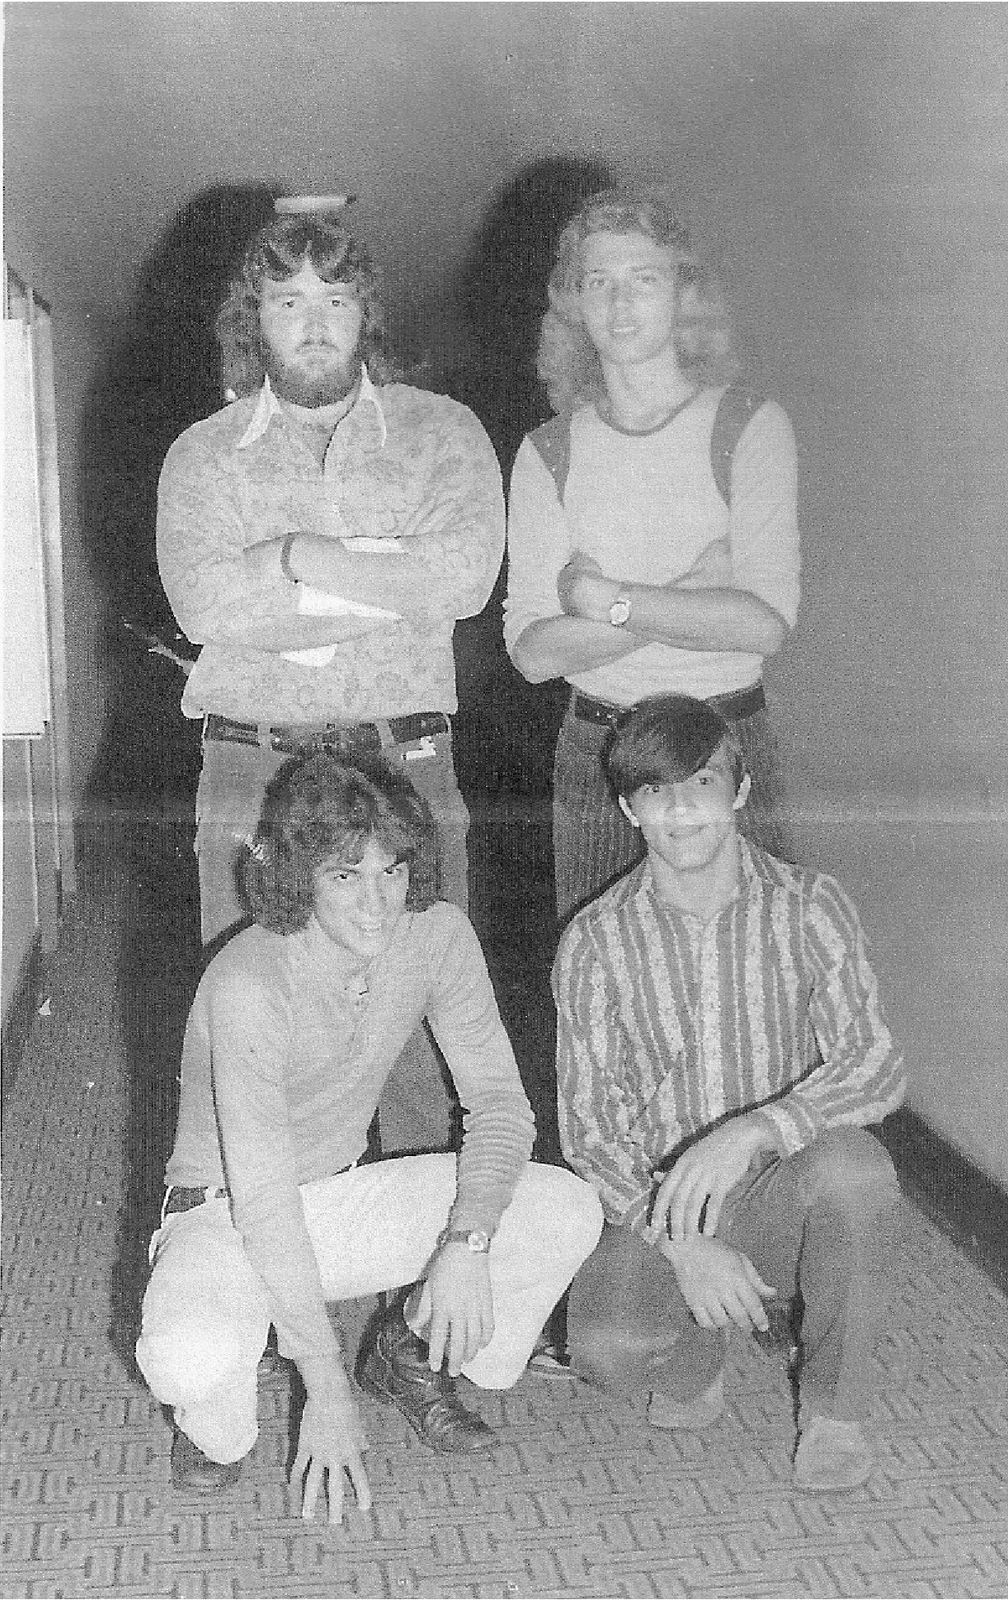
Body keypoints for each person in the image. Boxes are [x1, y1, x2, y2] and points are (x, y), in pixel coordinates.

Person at [135, 750, 603, 1519]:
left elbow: (500, 1105)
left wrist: (468, 1243)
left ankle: (407, 1350)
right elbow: (262, 1200)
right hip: (227, 1215)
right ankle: (217, 1422)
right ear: (300, 877)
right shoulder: (249, 981)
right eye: (345, 875)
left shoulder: (439, 936)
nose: (376, 903)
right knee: (189, 1359)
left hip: (340, 1202)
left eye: (391, 871)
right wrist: (323, 1388)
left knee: (563, 1209)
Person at [156, 202, 505, 1148]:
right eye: (287, 302)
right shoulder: (202, 455)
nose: (313, 325)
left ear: (366, 315)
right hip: (254, 771)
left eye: (335, 300)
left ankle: (427, 1240)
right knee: (254, 1033)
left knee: (417, 1034)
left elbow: (465, 581)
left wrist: (293, 556)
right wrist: (390, 581)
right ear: (254, 319)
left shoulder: (442, 433)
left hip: (404, 766)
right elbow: (207, 609)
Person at [552, 695, 906, 1492]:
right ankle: (698, 1350)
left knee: (856, 1169)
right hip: (663, 1199)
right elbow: (591, 1134)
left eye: (702, 783)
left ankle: (836, 1412)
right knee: (607, 1351)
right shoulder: (596, 940)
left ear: (740, 791)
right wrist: (683, 1244)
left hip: (785, 1186)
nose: (681, 811)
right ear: (628, 809)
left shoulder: (810, 904)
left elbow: (876, 1063)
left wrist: (755, 1130)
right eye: (655, 791)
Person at [504, 187, 800, 923]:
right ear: (574, 304)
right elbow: (534, 653)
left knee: (758, 967)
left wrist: (602, 602)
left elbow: (764, 625)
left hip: (724, 742)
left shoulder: (749, 427)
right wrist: (688, 595)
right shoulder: (547, 451)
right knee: (599, 971)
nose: (621, 303)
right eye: (598, 281)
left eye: (644, 278)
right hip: (601, 751)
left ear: (683, 293)